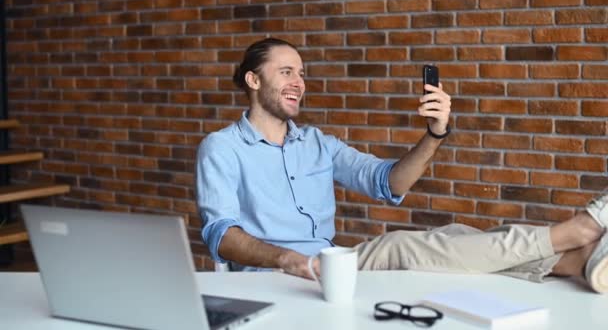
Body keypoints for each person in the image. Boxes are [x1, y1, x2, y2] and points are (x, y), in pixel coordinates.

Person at [196, 38, 608, 293]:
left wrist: (434, 133)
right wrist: (286, 258)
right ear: (253, 80)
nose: (299, 82)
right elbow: (221, 234)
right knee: (402, 244)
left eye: (301, 73)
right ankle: (578, 230)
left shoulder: (317, 143)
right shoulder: (222, 148)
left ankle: (575, 260)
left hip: (334, 266)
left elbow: (388, 182)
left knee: (455, 235)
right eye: (286, 71)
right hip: (279, 278)